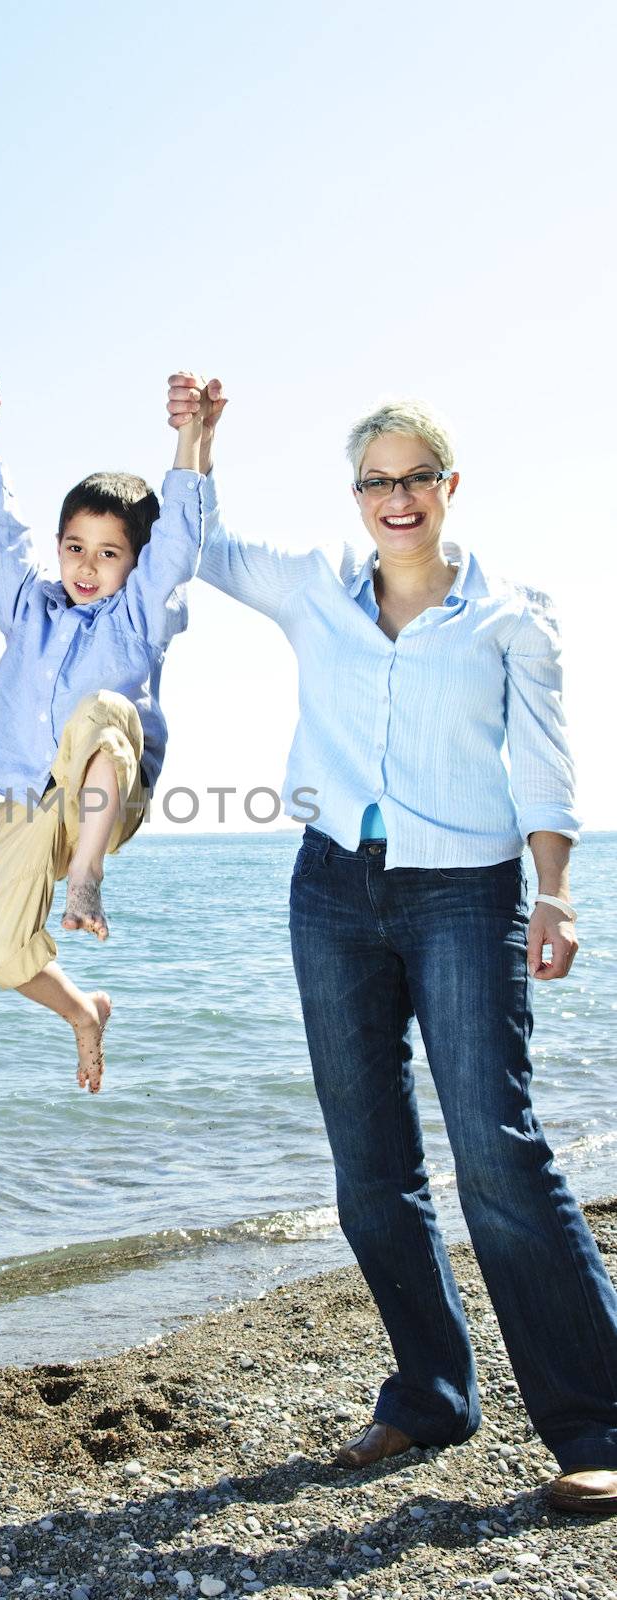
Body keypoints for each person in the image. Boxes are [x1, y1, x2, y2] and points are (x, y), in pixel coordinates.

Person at [167, 377, 617, 1516]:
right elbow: (197, 541)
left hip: (466, 890)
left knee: (500, 1151)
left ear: (448, 486)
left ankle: (596, 1419)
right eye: (377, 480)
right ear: (357, 494)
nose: (398, 497)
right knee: (369, 1165)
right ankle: (430, 1392)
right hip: (331, 888)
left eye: (418, 476)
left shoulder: (512, 613)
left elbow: (547, 763)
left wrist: (553, 894)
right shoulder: (316, 589)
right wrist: (195, 439)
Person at [0, 376, 210, 1091]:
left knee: (99, 708)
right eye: (74, 548)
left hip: (107, 791)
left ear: (133, 563)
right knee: (2, 955)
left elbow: (177, 545)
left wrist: (188, 439)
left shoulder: (137, 619)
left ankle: (86, 880)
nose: (86, 567)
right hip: (29, 803)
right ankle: (83, 1012)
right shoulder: (27, 608)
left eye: (108, 553)